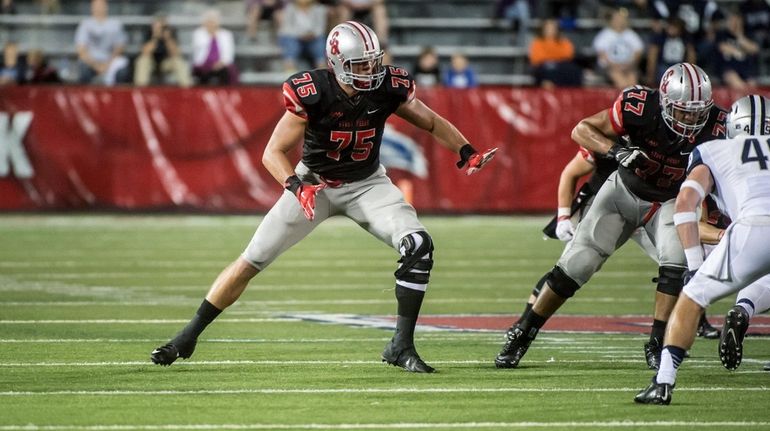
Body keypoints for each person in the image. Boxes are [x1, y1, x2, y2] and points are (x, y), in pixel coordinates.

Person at [150, 21, 497, 373]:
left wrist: (466, 151)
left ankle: (401, 345)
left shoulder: (388, 87)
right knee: (252, 259)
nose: (372, 70)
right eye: (361, 63)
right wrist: (296, 187)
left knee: (419, 245)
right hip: (314, 185)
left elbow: (432, 122)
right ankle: (188, 335)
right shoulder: (313, 91)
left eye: (374, 61)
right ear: (337, 62)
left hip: (367, 184)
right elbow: (272, 152)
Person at [495, 63, 726, 370]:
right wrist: (615, 150)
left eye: (698, 112)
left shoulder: (720, 127)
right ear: (666, 102)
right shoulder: (641, 106)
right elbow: (581, 129)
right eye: (684, 111)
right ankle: (523, 331)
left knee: (675, 263)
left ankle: (658, 342)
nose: (691, 119)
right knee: (575, 266)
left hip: (673, 200)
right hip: (623, 193)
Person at [634, 94, 770, 404]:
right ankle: (745, 308)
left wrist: (694, 267)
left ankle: (663, 382)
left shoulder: (713, 149)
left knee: (691, 299)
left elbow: (685, 206)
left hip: (752, 229)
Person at [74, 0, 129, 86]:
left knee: (122, 69)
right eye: (96, 5)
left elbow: (120, 47)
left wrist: (107, 64)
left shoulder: (115, 24)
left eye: (101, 5)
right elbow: (81, 50)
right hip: (90, 62)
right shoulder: (85, 24)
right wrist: (96, 66)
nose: (99, 8)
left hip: (111, 61)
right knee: (83, 69)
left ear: (106, 7)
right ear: (91, 8)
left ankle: (118, 97)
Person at [592, 7, 645, 89]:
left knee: (633, 79)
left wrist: (629, 65)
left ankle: (633, 98)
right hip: (610, 68)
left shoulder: (631, 34)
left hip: (629, 67)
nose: (619, 21)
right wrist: (616, 66)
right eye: (617, 18)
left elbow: (638, 52)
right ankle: (625, 98)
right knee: (618, 77)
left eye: (621, 18)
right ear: (611, 20)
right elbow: (602, 55)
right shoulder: (604, 35)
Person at [134, 13, 192, 87]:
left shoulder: (171, 32)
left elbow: (176, 53)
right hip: (152, 62)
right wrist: (155, 37)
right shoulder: (148, 32)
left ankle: (187, 89)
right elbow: (145, 52)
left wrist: (168, 38)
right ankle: (140, 89)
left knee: (179, 62)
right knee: (143, 61)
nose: (161, 28)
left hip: (166, 62)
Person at [528, 18, 581, 88]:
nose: (550, 30)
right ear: (543, 29)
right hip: (543, 66)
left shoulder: (563, 41)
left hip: (561, 65)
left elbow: (568, 54)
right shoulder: (537, 42)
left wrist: (550, 56)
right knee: (548, 69)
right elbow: (537, 58)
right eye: (548, 28)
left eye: (553, 28)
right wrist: (556, 56)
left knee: (573, 69)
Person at [277, 0, 328, 72]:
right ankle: (290, 67)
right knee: (291, 42)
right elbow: (287, 28)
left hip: (312, 38)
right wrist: (301, 35)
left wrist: (311, 35)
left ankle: (322, 67)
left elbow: (320, 28)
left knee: (320, 42)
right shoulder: (289, 8)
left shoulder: (320, 9)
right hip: (294, 37)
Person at [192, 9, 238, 85]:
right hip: (203, 64)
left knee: (227, 71)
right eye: (209, 21)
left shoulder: (226, 35)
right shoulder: (198, 34)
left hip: (221, 64)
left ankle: (225, 93)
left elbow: (229, 54)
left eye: (213, 21)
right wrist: (210, 34)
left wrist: (221, 63)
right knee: (202, 72)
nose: (211, 24)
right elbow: (198, 49)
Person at [645, 17, 696, 86]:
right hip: (664, 65)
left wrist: (690, 72)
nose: (671, 29)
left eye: (675, 27)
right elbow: (653, 54)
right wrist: (650, 73)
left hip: (680, 66)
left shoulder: (685, 38)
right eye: (670, 26)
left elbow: (691, 54)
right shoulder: (661, 37)